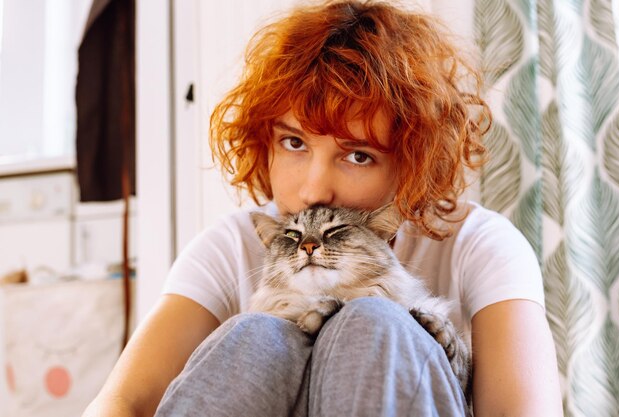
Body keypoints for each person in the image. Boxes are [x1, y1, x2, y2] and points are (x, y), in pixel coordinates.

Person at [83, 1, 563, 416]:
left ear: (412, 164)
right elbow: (125, 401)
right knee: (256, 335)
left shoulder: (482, 244)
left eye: (358, 155)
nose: (315, 190)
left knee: (372, 322)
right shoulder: (229, 246)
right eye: (294, 143)